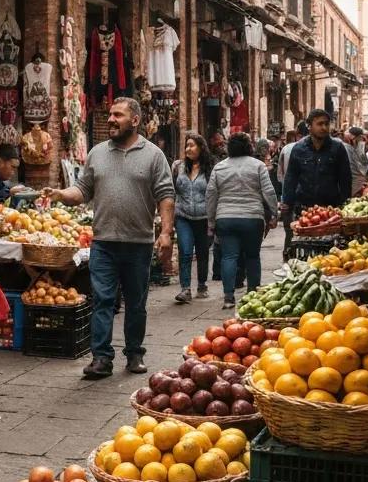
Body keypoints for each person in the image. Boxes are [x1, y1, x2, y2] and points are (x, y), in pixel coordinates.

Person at [43, 97, 173, 379]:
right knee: (102, 300)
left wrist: (165, 233)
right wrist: (60, 195)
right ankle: (101, 358)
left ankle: (135, 353)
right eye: (110, 114)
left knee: (136, 302)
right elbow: (82, 190)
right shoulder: (97, 153)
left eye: (118, 115)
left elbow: (165, 195)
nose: (111, 119)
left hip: (139, 243)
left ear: (135, 120)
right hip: (103, 243)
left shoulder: (153, 155)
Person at [206, 133, 278, 310]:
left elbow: (211, 195)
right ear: (249, 147)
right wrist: (274, 213)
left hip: (226, 218)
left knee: (229, 256)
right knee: (252, 256)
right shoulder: (258, 166)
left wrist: (211, 220)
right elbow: (268, 191)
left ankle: (229, 298)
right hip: (252, 218)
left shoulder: (219, 167)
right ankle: (252, 294)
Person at [280, 108, 352, 226]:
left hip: (330, 210)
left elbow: (345, 179)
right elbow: (291, 178)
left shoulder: (337, 148)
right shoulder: (299, 149)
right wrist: (287, 203)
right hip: (304, 210)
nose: (324, 127)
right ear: (309, 126)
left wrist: (345, 205)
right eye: (319, 124)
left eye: (326, 124)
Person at [172, 133, 215, 304]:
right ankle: (185, 289)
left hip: (204, 218)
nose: (188, 149)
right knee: (186, 251)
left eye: (192, 145)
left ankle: (202, 284)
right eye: (186, 146)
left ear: (201, 147)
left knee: (203, 252)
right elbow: (171, 190)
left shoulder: (211, 168)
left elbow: (214, 193)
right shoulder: (178, 167)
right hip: (183, 216)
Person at [277, 121, 307, 258]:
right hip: (306, 195)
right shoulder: (318, 148)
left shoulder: (287, 149)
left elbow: (280, 176)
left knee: (289, 228)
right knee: (308, 226)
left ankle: (288, 252)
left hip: (288, 194)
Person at [343, 126, 368, 195]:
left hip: (357, 179)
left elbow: (363, 161)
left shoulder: (360, 145)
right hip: (353, 179)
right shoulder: (346, 147)